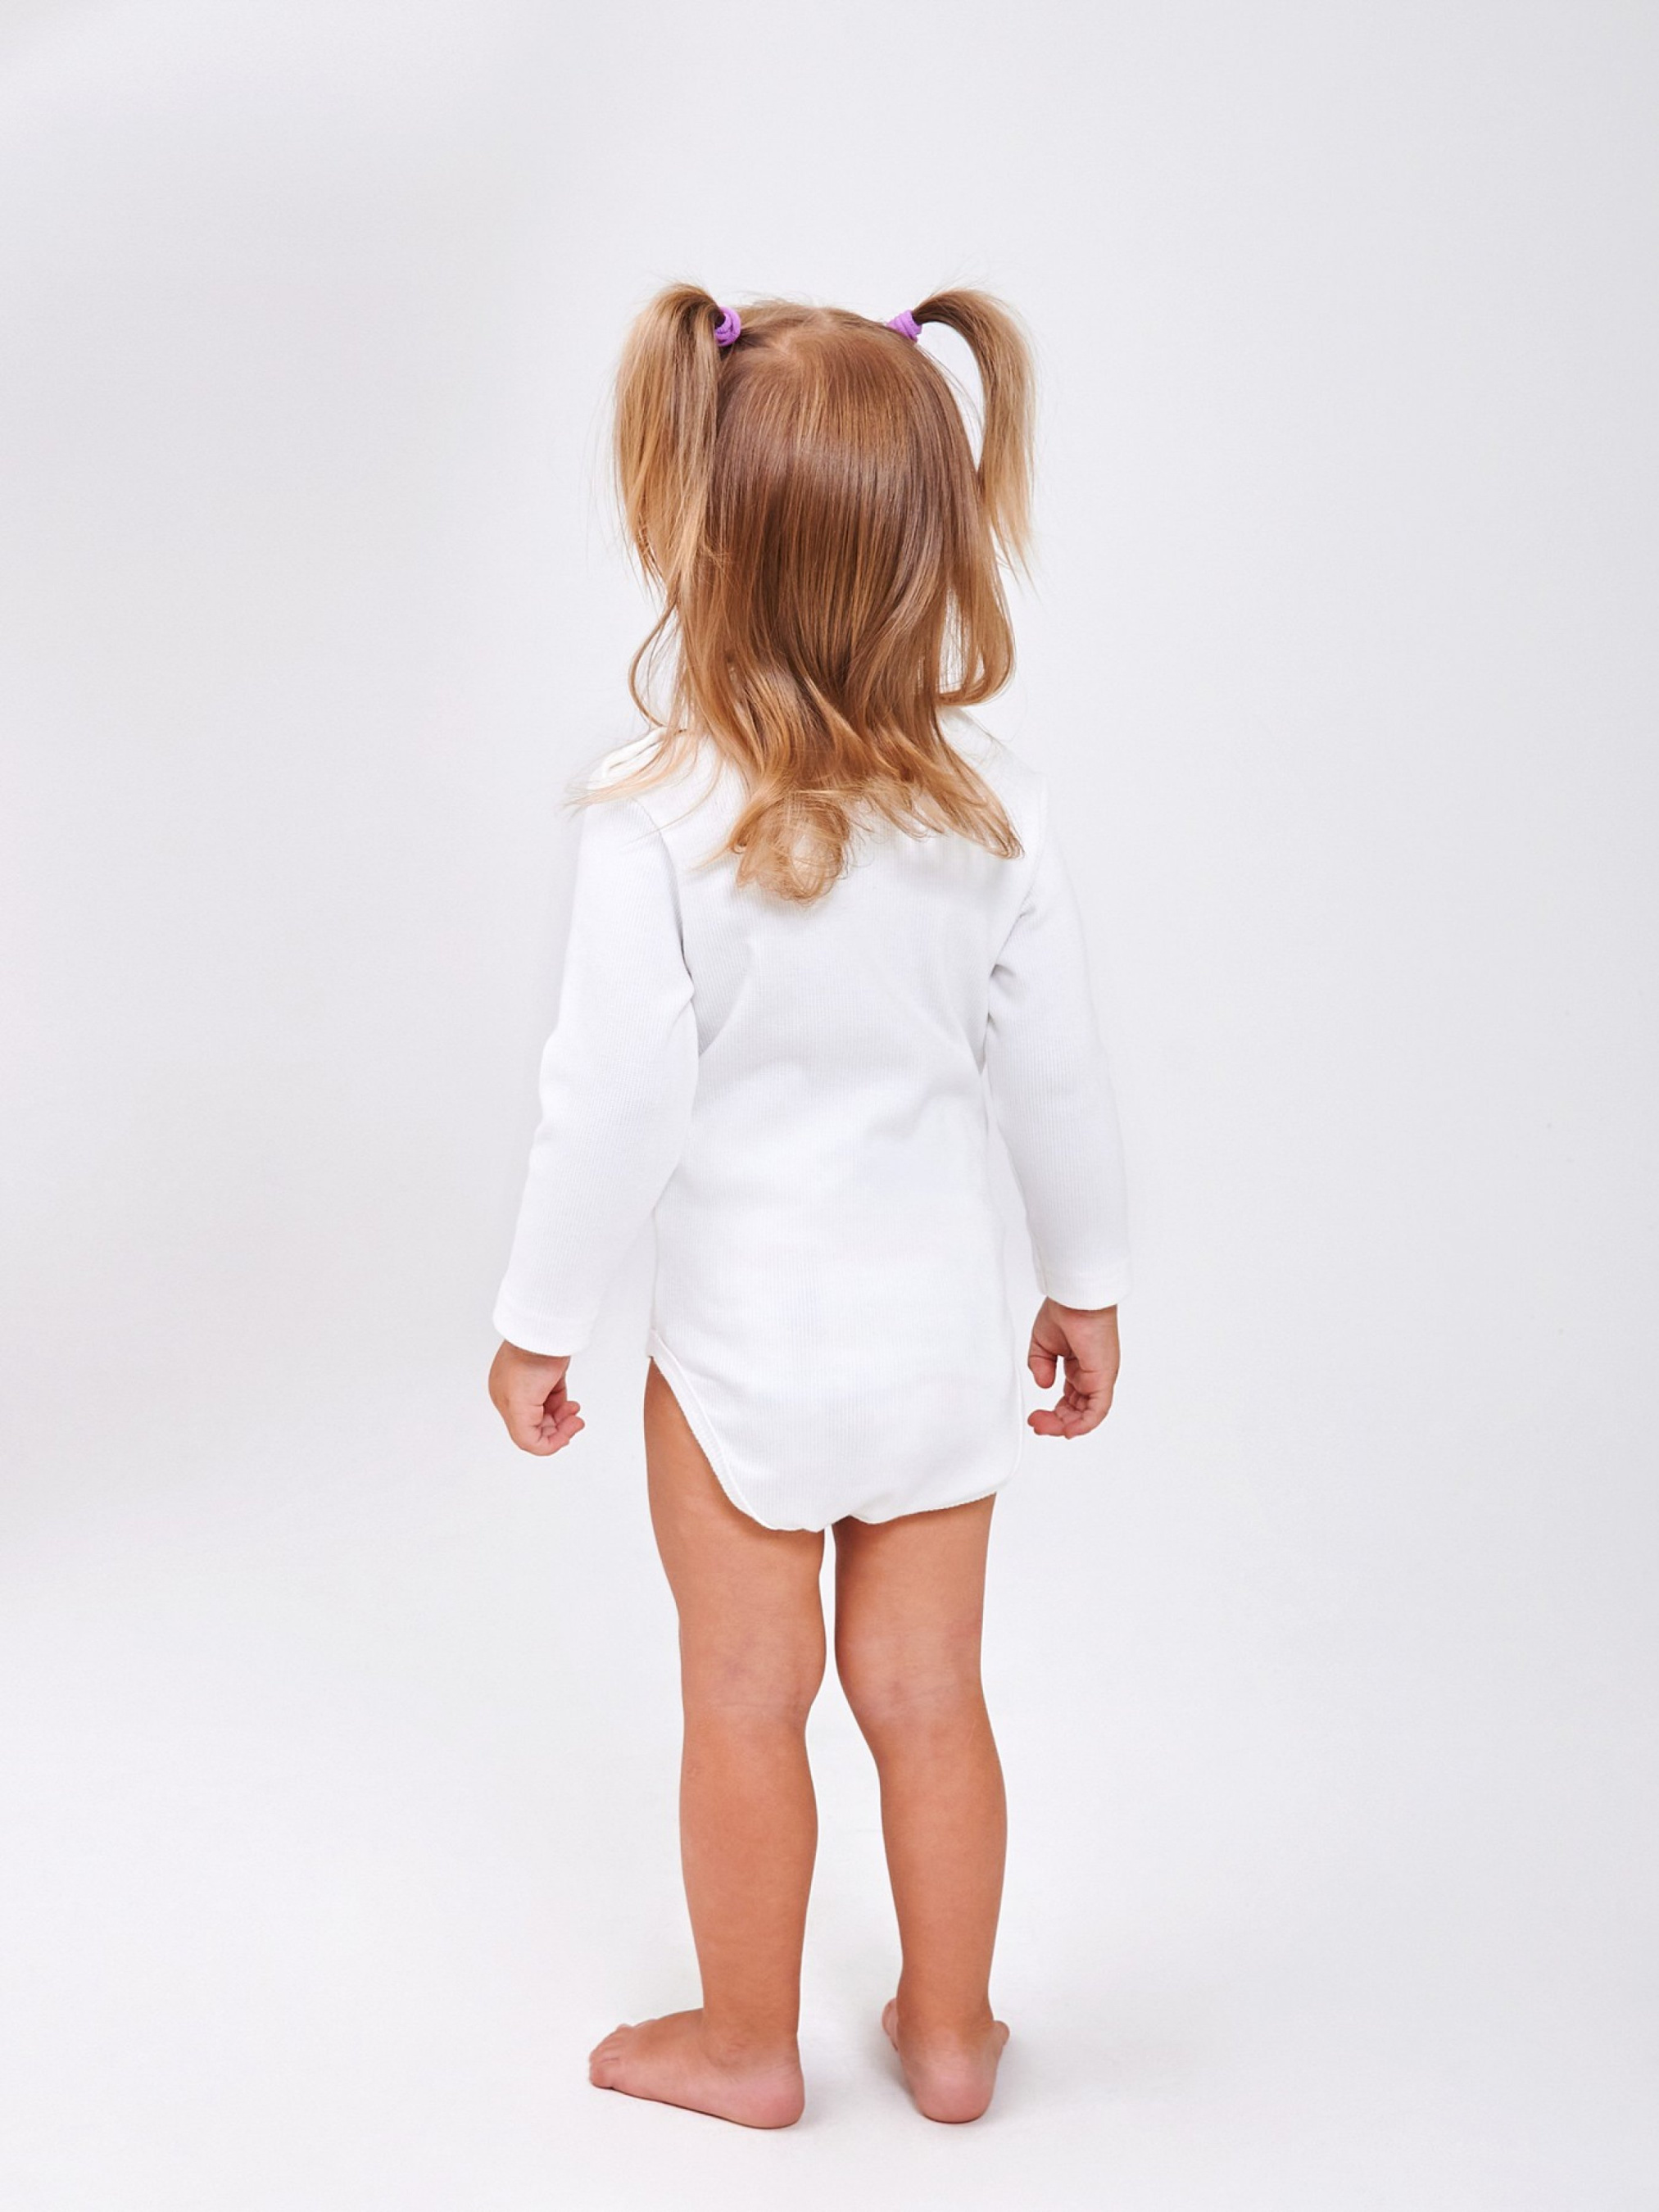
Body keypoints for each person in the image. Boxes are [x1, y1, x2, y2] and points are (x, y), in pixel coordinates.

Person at [487, 286, 1130, 2128]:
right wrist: (1084, 1281)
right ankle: (951, 2037)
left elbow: (607, 1106)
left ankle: (747, 2044)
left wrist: (538, 1319)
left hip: (737, 1357)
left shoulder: (653, 817)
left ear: (700, 534)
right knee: (928, 1699)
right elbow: (1055, 1075)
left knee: (743, 1701)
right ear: (936, 541)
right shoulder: (992, 811)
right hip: (936, 1346)